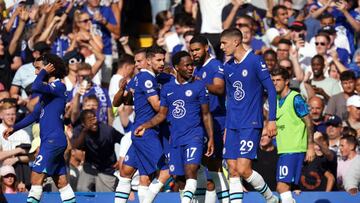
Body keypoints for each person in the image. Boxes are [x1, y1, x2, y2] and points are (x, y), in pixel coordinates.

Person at [135, 51, 214, 203]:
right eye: (187, 65)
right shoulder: (167, 88)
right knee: (179, 179)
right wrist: (145, 125)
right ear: (177, 67)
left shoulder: (198, 85)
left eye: (192, 65)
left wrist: (210, 138)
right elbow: (161, 115)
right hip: (176, 139)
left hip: (194, 136)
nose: (191, 68)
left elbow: (206, 114)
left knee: (191, 171)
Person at [3, 54, 76, 203]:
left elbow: (36, 86)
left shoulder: (59, 86)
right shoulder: (48, 93)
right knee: (61, 182)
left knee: (36, 178)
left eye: (38, 69)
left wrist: (44, 72)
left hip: (52, 141)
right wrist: (14, 128)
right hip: (50, 141)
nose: (36, 72)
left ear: (50, 68)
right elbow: (34, 115)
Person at [220, 28, 278, 203]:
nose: (221, 47)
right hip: (232, 125)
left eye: (224, 43)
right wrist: (226, 127)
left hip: (250, 123)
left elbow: (272, 91)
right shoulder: (228, 66)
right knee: (232, 169)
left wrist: (272, 120)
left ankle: (271, 199)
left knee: (244, 169)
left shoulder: (254, 61)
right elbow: (229, 100)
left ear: (236, 41)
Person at [115, 46, 170, 203]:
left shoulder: (141, 78)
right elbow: (156, 106)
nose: (161, 63)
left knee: (128, 172)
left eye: (163, 60)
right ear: (149, 61)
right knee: (167, 170)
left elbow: (120, 101)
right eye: (158, 60)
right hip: (146, 132)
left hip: (140, 131)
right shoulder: (146, 79)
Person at [189, 35, 228, 202]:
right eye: (191, 51)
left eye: (197, 49)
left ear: (206, 47)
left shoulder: (216, 65)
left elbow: (219, 88)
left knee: (215, 167)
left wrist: (199, 83)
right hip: (200, 122)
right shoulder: (195, 68)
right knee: (200, 166)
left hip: (217, 120)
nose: (194, 53)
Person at [271, 67, 315, 203]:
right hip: (284, 150)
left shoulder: (295, 99)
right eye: (272, 80)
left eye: (278, 80)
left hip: (294, 150)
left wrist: (311, 146)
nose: (275, 83)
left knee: (282, 187)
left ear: (286, 82)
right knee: (284, 188)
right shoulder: (276, 100)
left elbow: (309, 122)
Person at [72, 109, 123, 192]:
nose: (94, 122)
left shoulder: (107, 131)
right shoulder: (80, 130)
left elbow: (125, 141)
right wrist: (85, 130)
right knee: (81, 190)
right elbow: (76, 146)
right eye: (89, 120)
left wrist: (122, 159)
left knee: (105, 197)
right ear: (83, 123)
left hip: (107, 168)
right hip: (90, 166)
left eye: (94, 118)